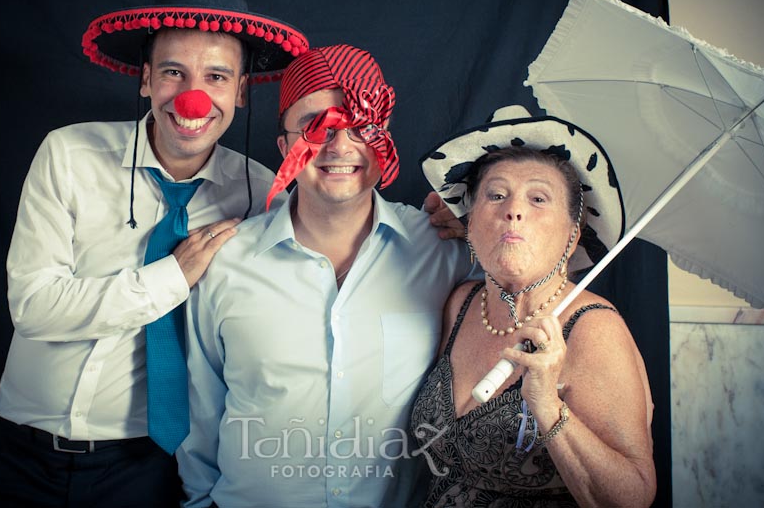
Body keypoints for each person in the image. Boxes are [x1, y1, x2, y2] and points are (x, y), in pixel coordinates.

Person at [0, 0, 308, 507]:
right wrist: (172, 277)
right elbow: (34, 306)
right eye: (174, 72)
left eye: (216, 77)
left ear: (241, 92)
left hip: (148, 469)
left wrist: (441, 219)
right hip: (19, 455)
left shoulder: (262, 196)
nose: (192, 97)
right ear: (146, 79)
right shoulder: (69, 154)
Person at [177, 44, 480, 508]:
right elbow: (201, 408)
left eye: (361, 127)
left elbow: (546, 280)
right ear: (285, 148)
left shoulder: (444, 248)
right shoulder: (226, 261)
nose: (340, 147)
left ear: (384, 140)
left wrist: (484, 222)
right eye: (317, 127)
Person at [411, 104, 657, 507]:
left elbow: (634, 497)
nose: (514, 210)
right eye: (496, 195)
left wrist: (547, 404)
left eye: (538, 198)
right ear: (470, 222)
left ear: (573, 234)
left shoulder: (594, 329)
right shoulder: (460, 304)